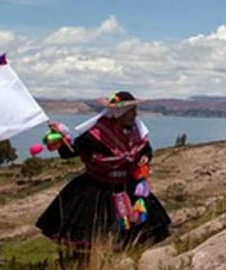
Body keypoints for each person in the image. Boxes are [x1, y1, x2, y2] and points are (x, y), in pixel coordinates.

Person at [35, 91, 172, 250]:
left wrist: (145, 158)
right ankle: (94, 261)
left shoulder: (137, 131)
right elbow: (69, 152)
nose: (135, 115)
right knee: (98, 230)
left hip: (128, 186)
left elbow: (146, 149)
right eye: (131, 111)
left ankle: (123, 257)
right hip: (99, 189)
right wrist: (61, 137)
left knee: (133, 229)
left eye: (135, 110)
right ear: (120, 113)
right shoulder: (97, 134)